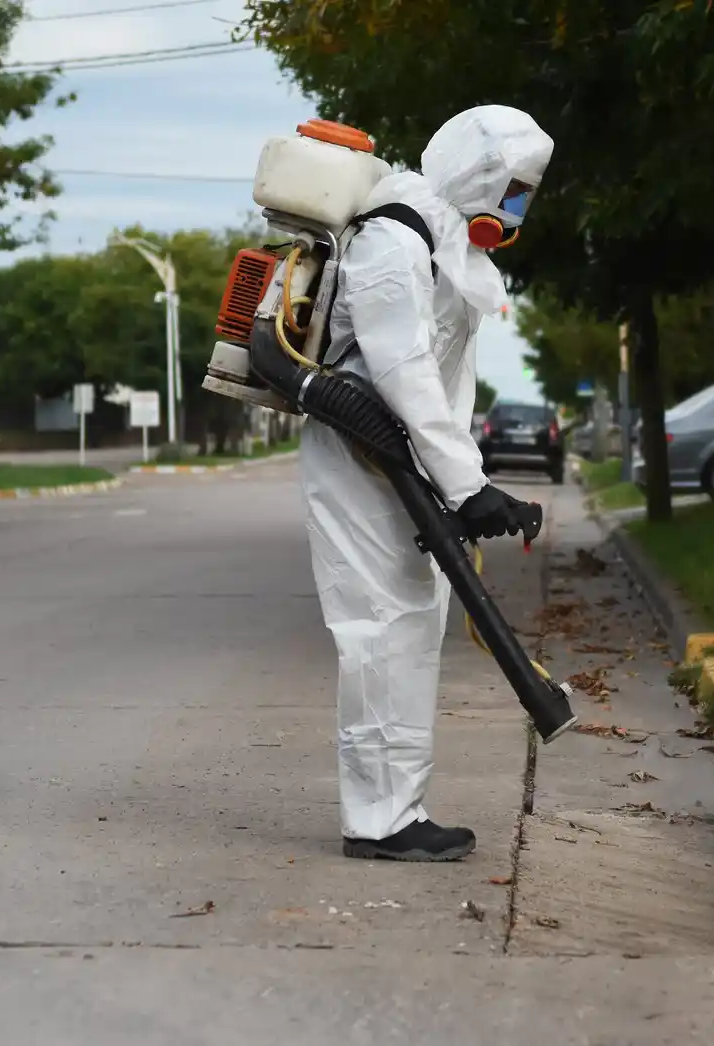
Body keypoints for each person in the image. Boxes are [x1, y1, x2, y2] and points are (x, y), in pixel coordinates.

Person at [298, 105, 554, 863]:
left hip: (404, 468)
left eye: (523, 198)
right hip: (358, 460)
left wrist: (464, 483)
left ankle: (397, 810)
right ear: (477, 173)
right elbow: (401, 370)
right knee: (378, 634)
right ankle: (377, 822)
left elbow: (446, 387)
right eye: (511, 192)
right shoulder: (394, 238)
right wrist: (466, 485)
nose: (513, 213)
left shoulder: (447, 250)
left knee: (411, 630)